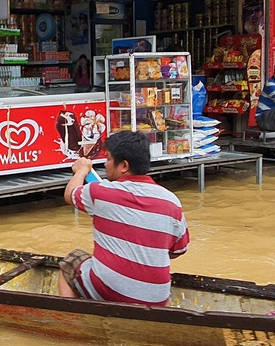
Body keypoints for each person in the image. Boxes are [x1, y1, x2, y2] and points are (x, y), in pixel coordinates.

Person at [59, 131, 189, 306]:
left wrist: (81, 171)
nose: (106, 165)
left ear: (124, 166)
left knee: (71, 261)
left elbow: (70, 194)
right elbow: (178, 251)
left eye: (109, 159)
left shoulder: (101, 192)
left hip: (111, 291)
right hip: (158, 299)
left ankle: (70, 317)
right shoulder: (172, 201)